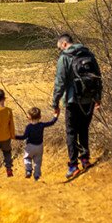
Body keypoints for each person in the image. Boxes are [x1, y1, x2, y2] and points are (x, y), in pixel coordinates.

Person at [51, 33, 102, 179]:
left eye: (60, 47)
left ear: (64, 44)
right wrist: (98, 98)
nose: (60, 50)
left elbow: (60, 83)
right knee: (84, 129)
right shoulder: (88, 54)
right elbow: (98, 76)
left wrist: (55, 103)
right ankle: (85, 159)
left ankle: (73, 165)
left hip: (73, 100)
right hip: (89, 99)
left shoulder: (65, 58)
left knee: (71, 132)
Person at [14, 106, 58, 181]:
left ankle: (28, 170)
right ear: (40, 116)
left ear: (29, 117)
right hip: (39, 146)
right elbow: (52, 122)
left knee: (27, 158)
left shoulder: (29, 127)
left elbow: (24, 137)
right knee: (37, 162)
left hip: (30, 146)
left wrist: (14, 137)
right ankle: (37, 176)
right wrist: (55, 116)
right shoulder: (41, 125)